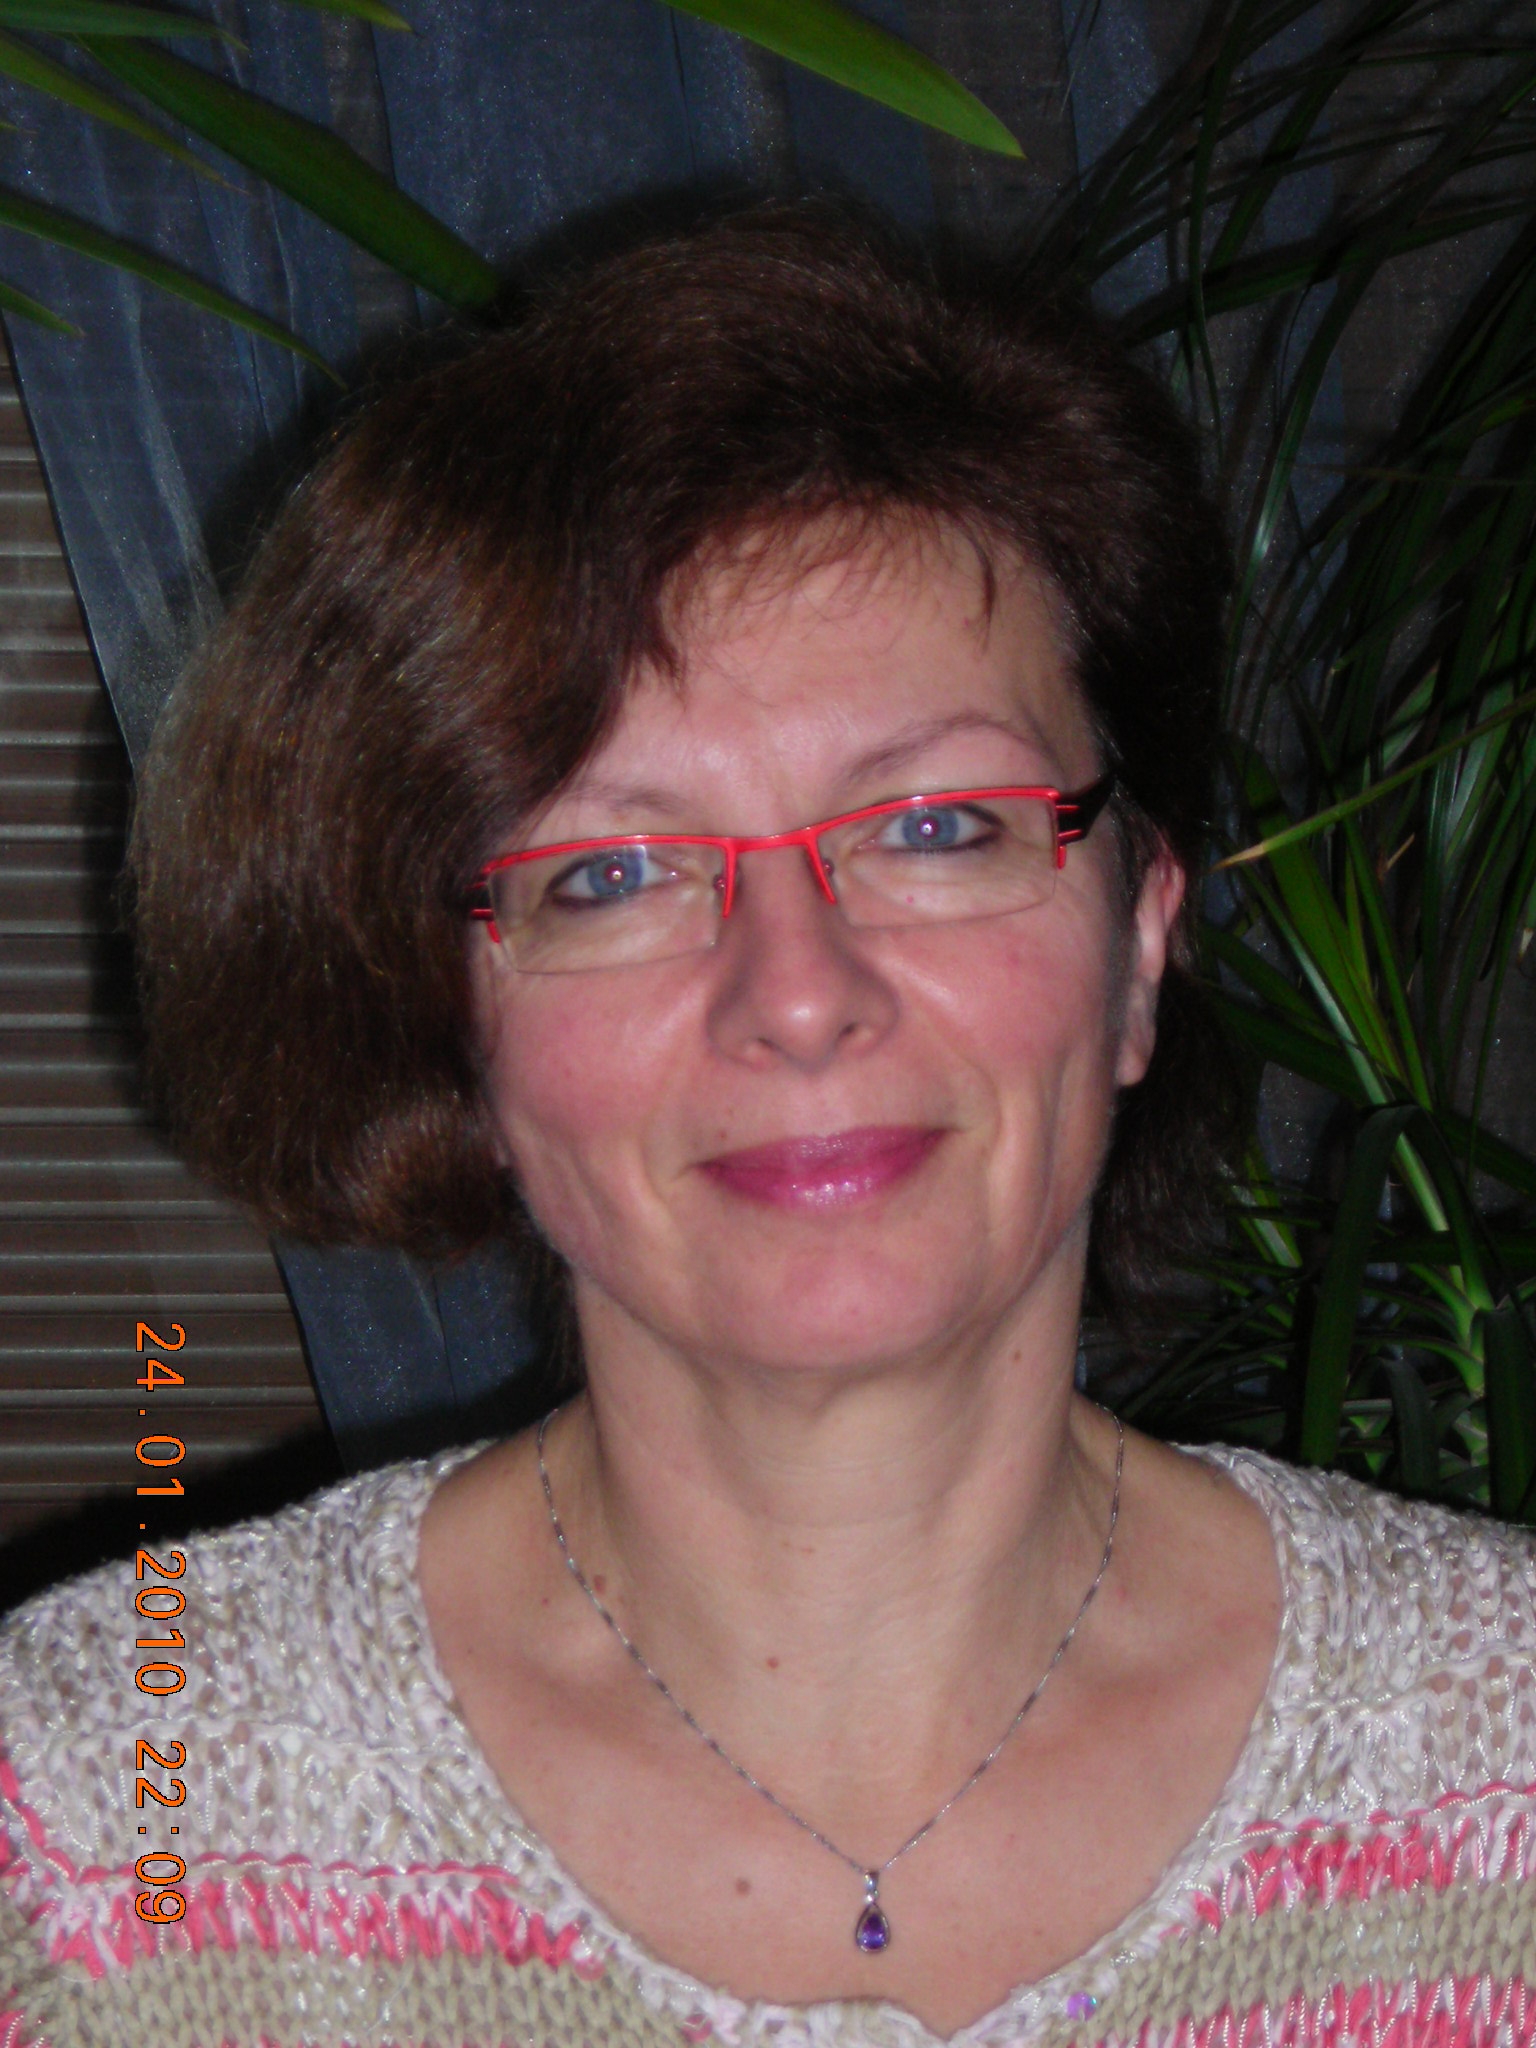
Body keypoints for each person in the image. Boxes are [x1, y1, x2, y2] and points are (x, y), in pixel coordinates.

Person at [2, 202, 1533, 2048]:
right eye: (614, 872)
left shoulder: (1508, 1759)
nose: (798, 994)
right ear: (456, 1023)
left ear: (1139, 945)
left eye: (937, 829)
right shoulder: (104, 1831)